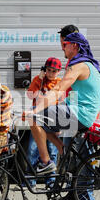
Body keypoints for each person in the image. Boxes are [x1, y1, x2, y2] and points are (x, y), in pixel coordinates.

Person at [22, 32, 100, 200]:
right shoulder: (87, 65)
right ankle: (61, 152)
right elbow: (96, 93)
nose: (62, 47)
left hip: (80, 114)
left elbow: (58, 89)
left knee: (35, 119)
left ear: (75, 46)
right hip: (80, 112)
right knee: (70, 157)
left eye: (65, 44)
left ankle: (46, 163)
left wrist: (35, 109)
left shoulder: (79, 65)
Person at [25, 57, 62, 188]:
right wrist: (39, 79)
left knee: (52, 151)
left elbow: (62, 103)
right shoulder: (39, 80)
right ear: (44, 70)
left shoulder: (60, 83)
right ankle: (30, 181)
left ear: (59, 71)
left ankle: (51, 181)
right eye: (48, 70)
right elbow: (30, 95)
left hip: (52, 120)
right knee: (32, 150)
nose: (51, 73)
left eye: (54, 71)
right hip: (38, 120)